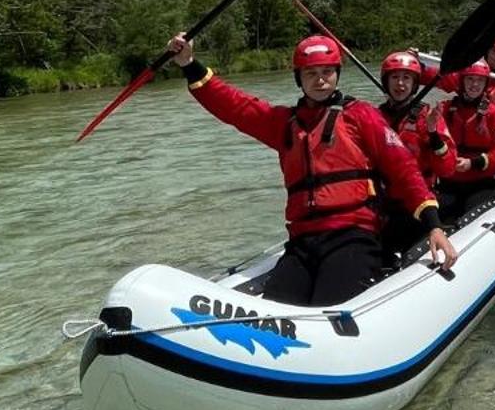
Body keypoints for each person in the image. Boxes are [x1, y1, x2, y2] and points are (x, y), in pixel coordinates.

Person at [164, 31, 456, 305]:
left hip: (353, 235)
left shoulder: (361, 115)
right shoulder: (284, 124)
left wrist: (433, 225)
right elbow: (235, 107)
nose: (320, 80)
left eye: (327, 72)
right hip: (302, 242)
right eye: (311, 73)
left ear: (337, 75)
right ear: (299, 79)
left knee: (331, 301)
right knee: (277, 306)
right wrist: (189, 63)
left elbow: (403, 169)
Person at [376, 49, 455, 257]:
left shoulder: (426, 116)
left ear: (414, 83)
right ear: (386, 81)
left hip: (419, 203)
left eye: (406, 78)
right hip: (383, 204)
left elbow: (447, 168)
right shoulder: (374, 117)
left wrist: (432, 134)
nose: (400, 84)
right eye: (394, 77)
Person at [440, 59, 495, 222]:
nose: (475, 84)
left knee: (473, 217)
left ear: (486, 83)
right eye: (470, 79)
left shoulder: (493, 113)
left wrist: (473, 163)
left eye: (479, 80)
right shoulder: (445, 109)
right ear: (462, 81)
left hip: (481, 182)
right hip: (450, 181)